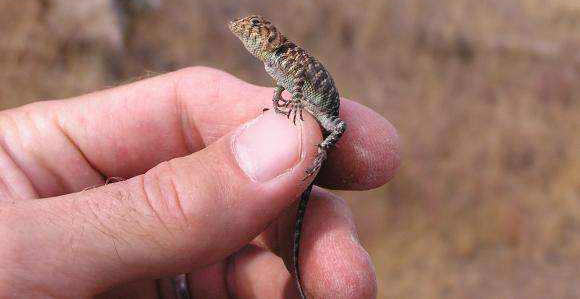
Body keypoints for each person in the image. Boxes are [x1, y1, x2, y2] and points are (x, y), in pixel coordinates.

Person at [0, 67, 400, 298]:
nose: (245, 34)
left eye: (252, 31)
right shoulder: (280, 66)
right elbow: (289, 88)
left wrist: (318, 142)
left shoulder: (285, 61)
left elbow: (324, 109)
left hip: (321, 127)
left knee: (308, 224)